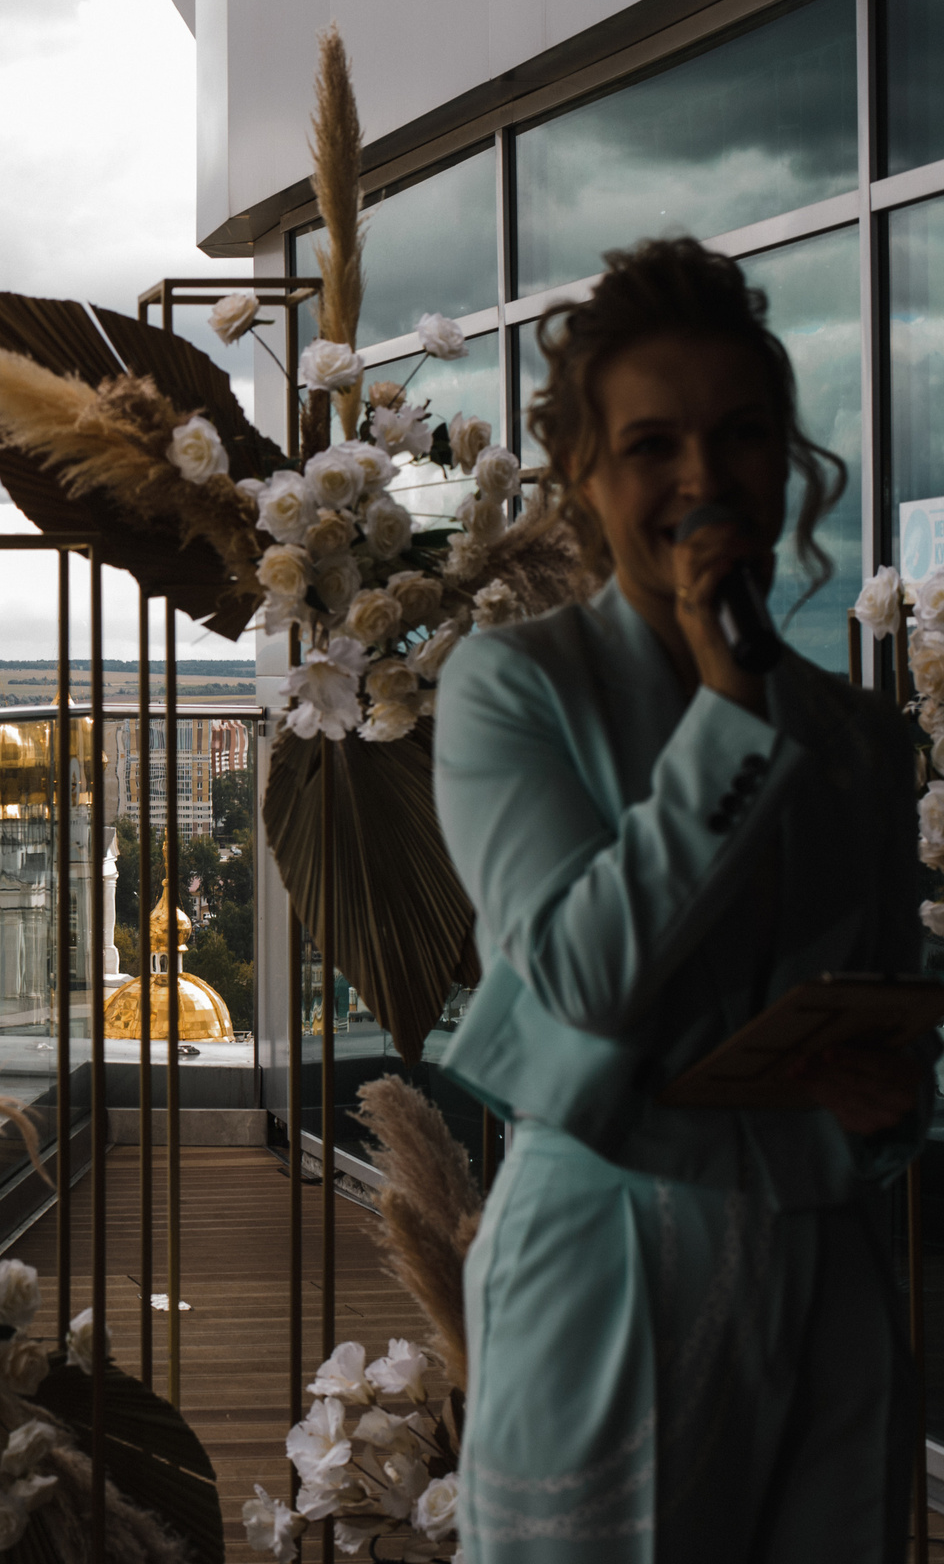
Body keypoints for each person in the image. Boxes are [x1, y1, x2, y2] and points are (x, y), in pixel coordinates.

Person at [434, 236, 930, 1561]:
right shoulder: (513, 689)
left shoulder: (864, 738)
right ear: (587, 474)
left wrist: (884, 1101)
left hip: (826, 1275)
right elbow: (582, 971)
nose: (703, 478)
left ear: (787, 462)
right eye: (653, 444)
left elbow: (879, 1022)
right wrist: (728, 712)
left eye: (742, 436)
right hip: (608, 1267)